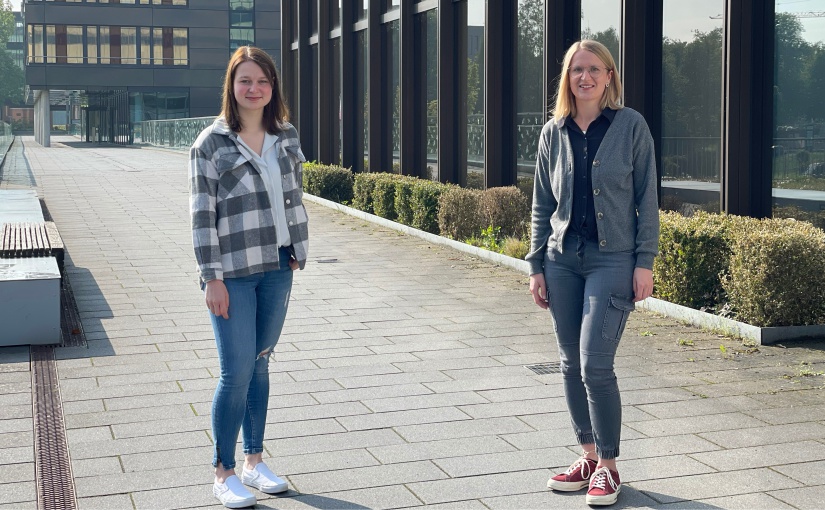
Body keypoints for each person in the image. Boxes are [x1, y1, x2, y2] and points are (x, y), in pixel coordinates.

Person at [525, 40, 659, 506]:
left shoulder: (631, 126)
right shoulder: (552, 132)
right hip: (562, 261)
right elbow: (542, 204)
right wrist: (535, 265)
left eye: (594, 70)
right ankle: (586, 456)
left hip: (612, 259)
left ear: (609, 77)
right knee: (568, 362)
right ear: (567, 77)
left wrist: (645, 262)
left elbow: (647, 200)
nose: (585, 77)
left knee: (595, 365)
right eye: (577, 70)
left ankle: (609, 467)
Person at [189, 46, 309, 509]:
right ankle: (222, 472)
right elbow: (202, 217)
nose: (253, 89)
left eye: (261, 81)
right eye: (245, 81)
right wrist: (210, 277)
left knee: (260, 361)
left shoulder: (287, 136)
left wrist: (297, 248)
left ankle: (253, 462)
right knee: (236, 371)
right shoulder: (210, 145)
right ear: (232, 87)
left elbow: (294, 196)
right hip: (232, 273)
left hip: (278, 267)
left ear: (272, 87)